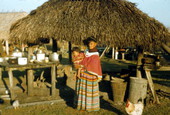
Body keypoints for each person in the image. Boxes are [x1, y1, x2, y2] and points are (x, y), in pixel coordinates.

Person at [75, 36, 102, 112]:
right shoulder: (86, 52)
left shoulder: (95, 55)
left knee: (89, 92)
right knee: (84, 92)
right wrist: (80, 68)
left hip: (91, 76)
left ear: (95, 44)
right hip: (83, 74)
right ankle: (82, 105)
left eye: (92, 43)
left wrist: (82, 66)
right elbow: (82, 61)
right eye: (89, 44)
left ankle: (90, 106)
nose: (90, 45)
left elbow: (93, 65)